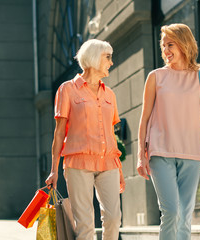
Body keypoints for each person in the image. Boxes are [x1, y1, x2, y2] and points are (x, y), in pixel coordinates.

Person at [137, 23, 200, 240]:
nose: (165, 50)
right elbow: (144, 118)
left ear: (184, 44)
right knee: (171, 211)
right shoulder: (155, 77)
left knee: (185, 216)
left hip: (192, 153)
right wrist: (141, 154)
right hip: (160, 152)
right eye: (163, 45)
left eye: (170, 44)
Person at [45, 39, 125, 240]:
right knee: (85, 224)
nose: (111, 62)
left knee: (114, 218)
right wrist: (54, 169)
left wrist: (119, 170)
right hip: (78, 164)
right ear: (94, 58)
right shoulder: (67, 89)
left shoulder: (110, 94)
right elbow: (59, 132)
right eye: (108, 57)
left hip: (108, 164)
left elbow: (111, 133)